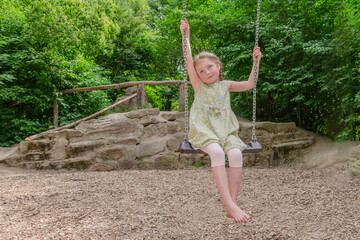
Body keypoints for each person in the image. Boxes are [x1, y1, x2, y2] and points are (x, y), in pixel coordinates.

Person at [180, 20, 262, 223]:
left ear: (217, 66)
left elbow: (251, 84)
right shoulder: (199, 85)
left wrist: (256, 61)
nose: (206, 72)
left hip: (226, 132)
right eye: (201, 71)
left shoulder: (226, 85)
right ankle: (228, 203)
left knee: (235, 155)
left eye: (209, 67)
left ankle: (231, 204)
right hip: (205, 130)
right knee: (216, 152)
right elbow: (188, 61)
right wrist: (186, 35)